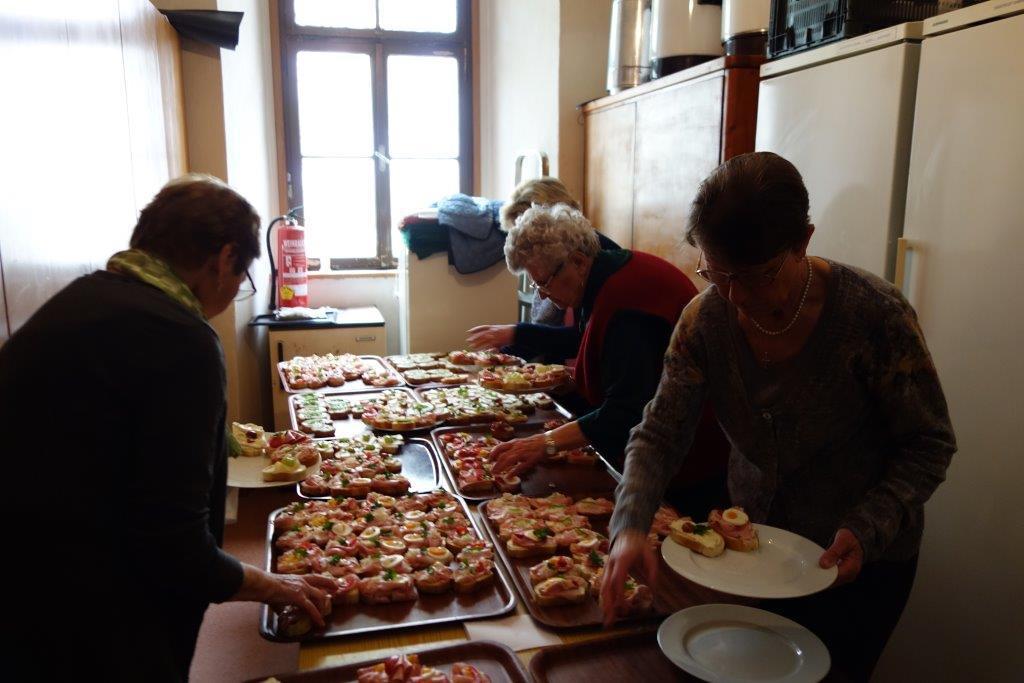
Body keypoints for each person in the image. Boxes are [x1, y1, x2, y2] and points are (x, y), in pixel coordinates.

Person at [600, 152, 956, 681]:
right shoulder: (705, 321)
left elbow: (929, 443)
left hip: (860, 566)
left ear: (803, 241)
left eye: (757, 277)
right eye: (716, 274)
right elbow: (659, 433)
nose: (735, 297)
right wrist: (630, 524)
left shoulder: (874, 317)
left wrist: (868, 527)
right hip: (754, 559)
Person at [1, 175, 335, 681]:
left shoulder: (81, 299)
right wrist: (272, 585)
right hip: (90, 612)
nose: (234, 290)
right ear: (224, 258)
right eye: (242, 275)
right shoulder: (179, 339)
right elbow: (173, 543)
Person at [475, 203, 728, 506]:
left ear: (578, 262)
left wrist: (546, 443)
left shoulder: (628, 300)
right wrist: (571, 379)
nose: (540, 293)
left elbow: (627, 410)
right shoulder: (601, 277)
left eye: (543, 282)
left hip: (687, 459)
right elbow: (606, 355)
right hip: (661, 445)